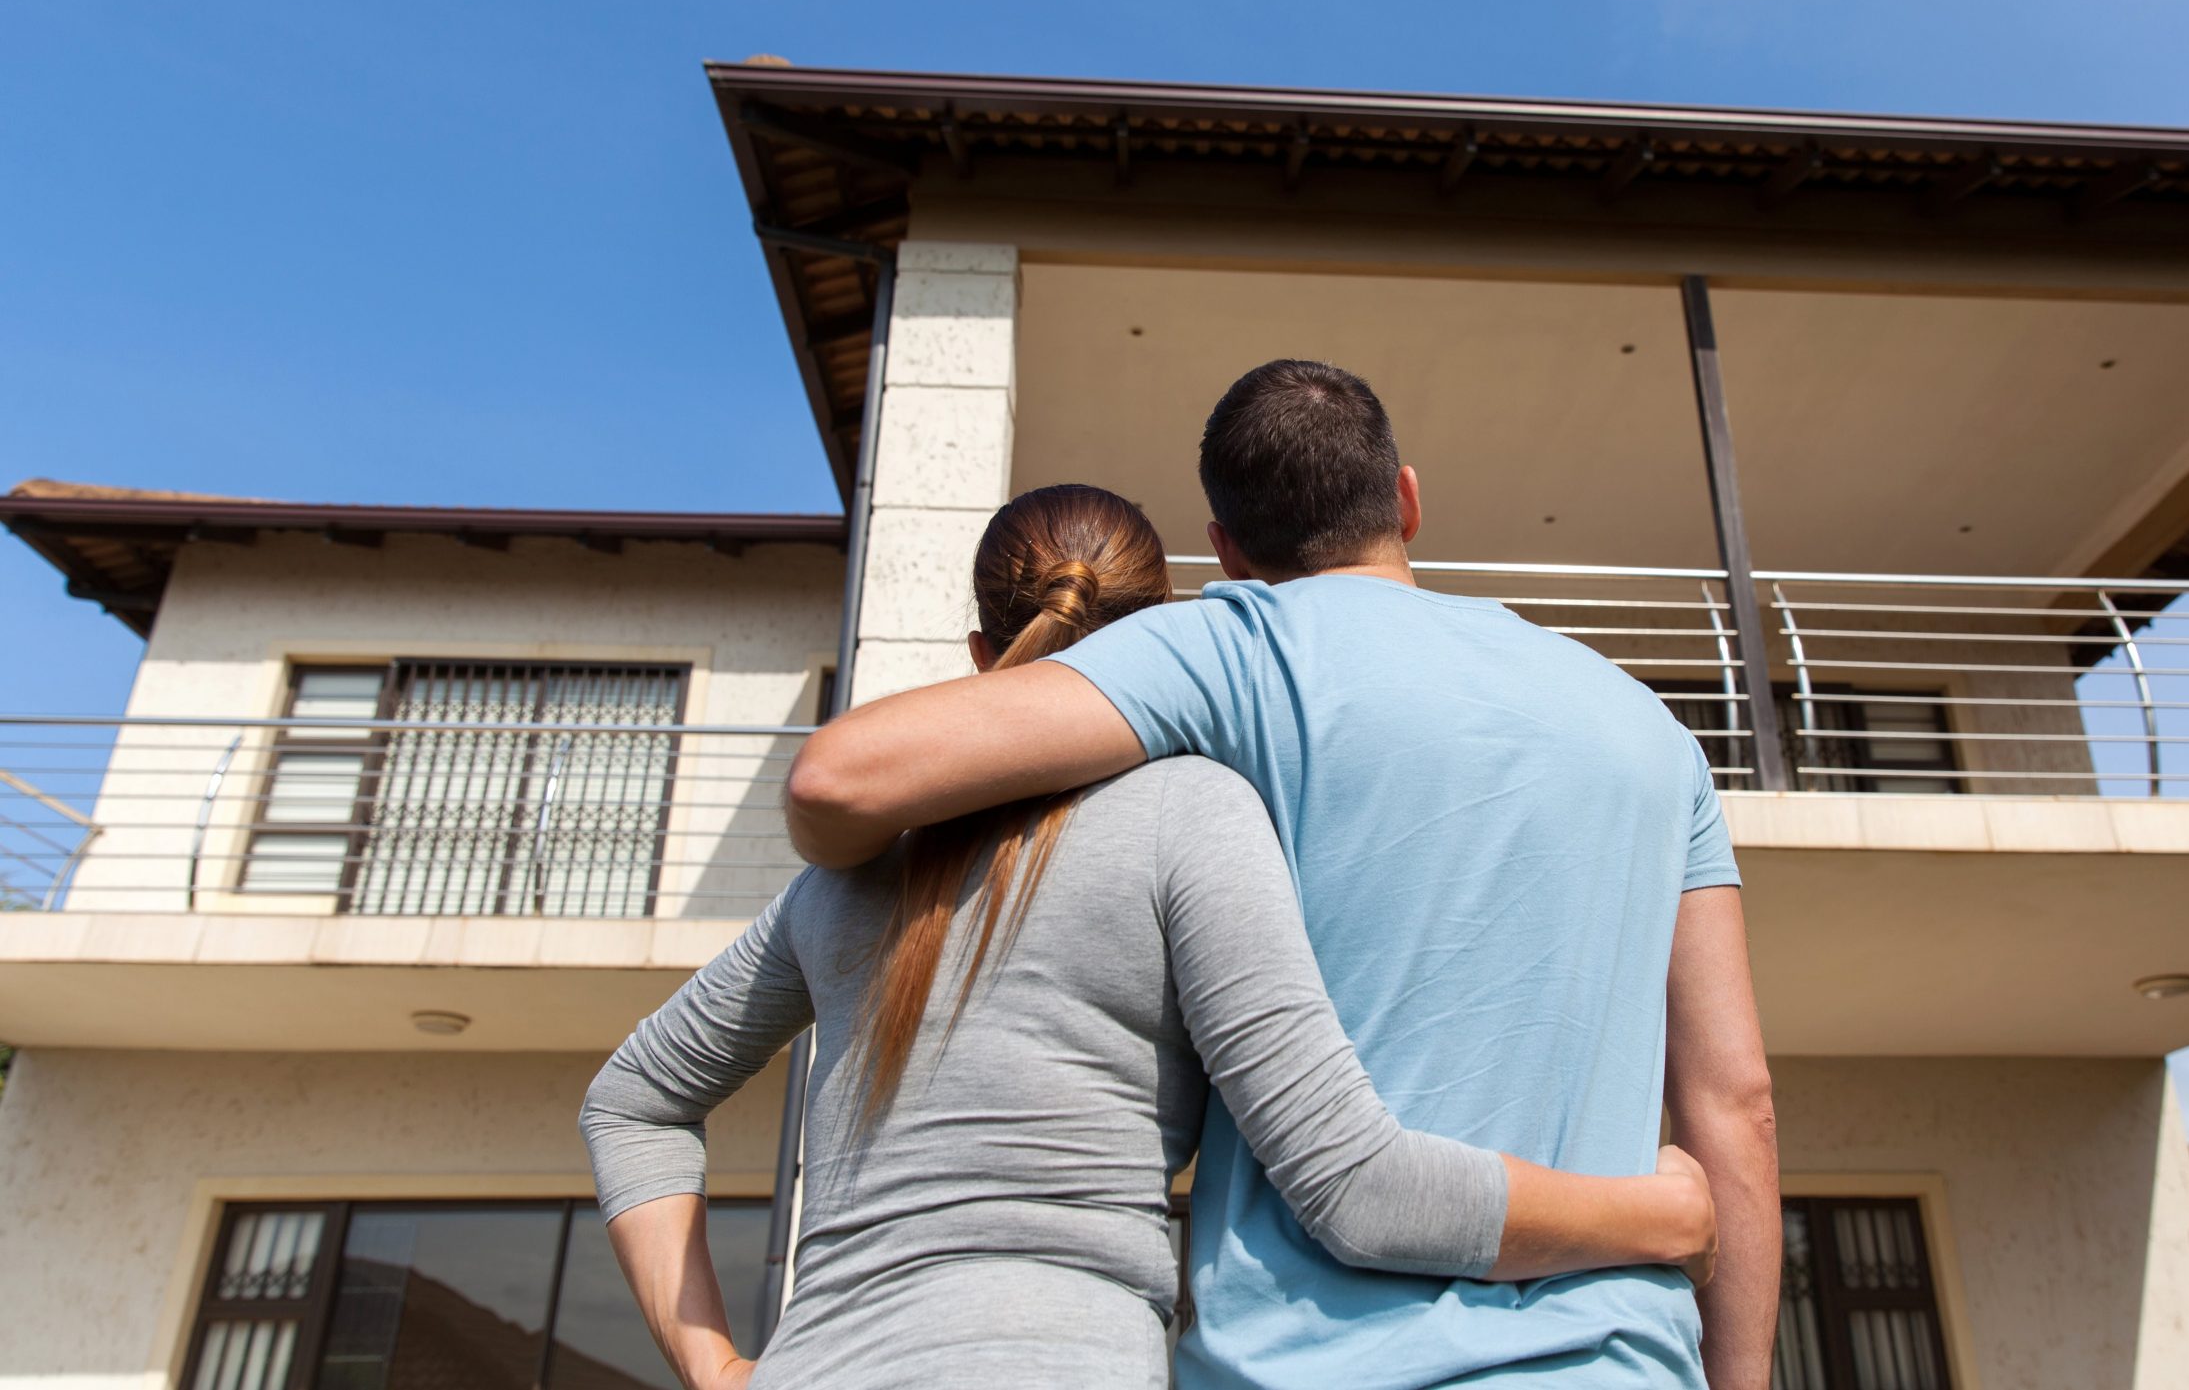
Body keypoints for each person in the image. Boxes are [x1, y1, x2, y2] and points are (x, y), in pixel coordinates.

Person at [583, 483, 1719, 1390]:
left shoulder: (845, 880)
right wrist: (1659, 1211)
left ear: (985, 660)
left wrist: (714, 1358)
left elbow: (632, 1098)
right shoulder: (1189, 814)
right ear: (1153, 645)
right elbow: (1360, 1190)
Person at [787, 360, 1781, 1389]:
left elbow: (837, 779)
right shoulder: (1650, 731)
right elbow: (1733, 1100)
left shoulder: (1231, 646)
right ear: (1405, 497)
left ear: (1227, 548)